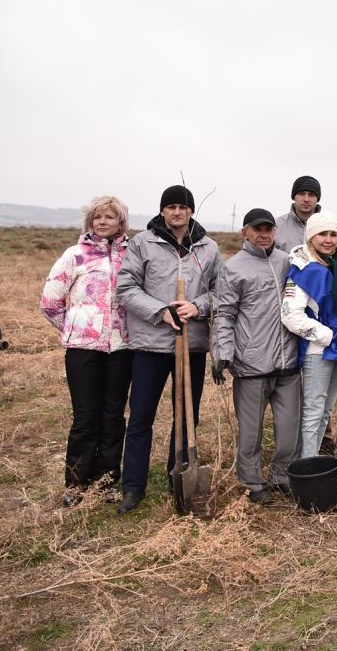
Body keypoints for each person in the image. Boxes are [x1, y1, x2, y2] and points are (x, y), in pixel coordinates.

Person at [115, 185, 222, 514]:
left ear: (191, 211)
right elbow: (126, 287)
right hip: (151, 344)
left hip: (192, 345)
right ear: (162, 211)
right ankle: (133, 487)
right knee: (141, 417)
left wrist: (199, 307)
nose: (177, 212)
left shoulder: (207, 248)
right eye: (171, 206)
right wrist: (160, 311)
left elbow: (221, 290)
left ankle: (178, 474)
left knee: (188, 416)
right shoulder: (142, 243)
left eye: (183, 207)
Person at [40, 195, 134, 507]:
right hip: (83, 350)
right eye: (98, 217)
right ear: (90, 222)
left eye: (110, 217)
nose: (103, 222)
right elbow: (50, 301)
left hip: (121, 349)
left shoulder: (131, 255)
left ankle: (106, 481)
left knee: (113, 416)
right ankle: (76, 484)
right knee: (85, 417)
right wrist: (76, 328)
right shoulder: (74, 255)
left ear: (121, 222)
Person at [212, 208, 301, 505]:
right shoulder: (234, 267)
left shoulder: (287, 262)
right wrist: (223, 353)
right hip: (251, 364)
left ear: (275, 232)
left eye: (269, 229)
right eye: (257, 229)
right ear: (245, 233)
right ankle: (253, 482)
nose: (264, 234)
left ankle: (282, 475)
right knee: (250, 433)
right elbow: (224, 314)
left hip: (287, 362)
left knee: (289, 430)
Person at [281, 212, 337, 459]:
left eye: (333, 234)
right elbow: (290, 315)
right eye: (322, 234)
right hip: (319, 348)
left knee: (326, 409)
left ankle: (314, 456)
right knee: (314, 409)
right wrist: (325, 335)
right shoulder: (303, 268)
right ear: (311, 236)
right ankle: (307, 463)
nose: (328, 240)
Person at [276, 175, 337, 255]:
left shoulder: (333, 225)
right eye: (301, 194)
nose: (306, 199)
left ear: (317, 198)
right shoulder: (277, 226)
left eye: (311, 194)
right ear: (294, 197)